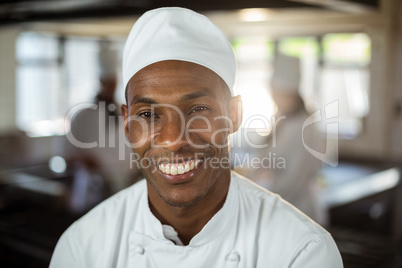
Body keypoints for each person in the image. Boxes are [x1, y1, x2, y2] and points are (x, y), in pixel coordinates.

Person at [51, 7, 343, 267]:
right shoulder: (81, 249)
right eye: (148, 115)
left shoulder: (302, 253)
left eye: (198, 110)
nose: (173, 139)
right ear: (128, 124)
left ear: (234, 115)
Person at [250, 53, 328, 225]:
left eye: (278, 93)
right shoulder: (282, 120)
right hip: (282, 212)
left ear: (291, 94)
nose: (275, 98)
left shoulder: (304, 128)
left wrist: (258, 187)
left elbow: (293, 181)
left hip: (300, 213)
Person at [66, 41, 137, 212]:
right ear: (100, 81)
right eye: (107, 82)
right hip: (90, 192)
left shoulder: (127, 114)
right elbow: (67, 154)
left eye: (113, 82)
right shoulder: (82, 115)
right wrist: (82, 161)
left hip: (122, 190)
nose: (110, 87)